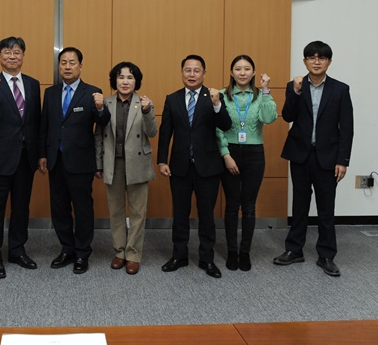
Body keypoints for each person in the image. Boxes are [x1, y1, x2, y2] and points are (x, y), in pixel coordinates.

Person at [273, 41, 354, 277]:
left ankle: (326, 255)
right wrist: (296, 92)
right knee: (299, 204)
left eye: (321, 58)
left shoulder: (340, 89)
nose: (316, 62)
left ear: (329, 61)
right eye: (311, 57)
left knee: (326, 207)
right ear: (305, 61)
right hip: (300, 154)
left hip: (328, 157)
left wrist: (343, 160)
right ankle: (294, 249)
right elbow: (288, 115)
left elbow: (346, 128)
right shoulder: (295, 86)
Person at [0, 36, 42, 279]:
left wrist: (39, 155)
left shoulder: (33, 85)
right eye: (7, 52)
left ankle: (17, 250)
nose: (12, 56)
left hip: (25, 158)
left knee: (21, 208)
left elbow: (36, 123)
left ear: (23, 55)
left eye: (16, 52)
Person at [157, 54, 231, 278]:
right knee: (180, 214)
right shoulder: (172, 99)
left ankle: (207, 258)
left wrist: (217, 104)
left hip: (208, 167)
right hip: (179, 166)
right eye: (187, 70)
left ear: (204, 74)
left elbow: (226, 125)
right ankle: (179, 255)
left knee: (207, 215)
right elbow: (165, 132)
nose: (191, 74)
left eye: (196, 70)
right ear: (182, 73)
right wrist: (162, 160)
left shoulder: (215, 97)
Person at [39, 47, 110, 275]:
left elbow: (103, 122)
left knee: (82, 209)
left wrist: (101, 107)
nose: (67, 67)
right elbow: (45, 125)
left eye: (72, 62)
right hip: (56, 160)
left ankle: (82, 252)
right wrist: (42, 154)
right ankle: (67, 248)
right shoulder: (50, 93)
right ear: (59, 66)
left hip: (80, 161)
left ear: (80, 66)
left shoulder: (92, 92)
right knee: (59, 208)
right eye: (63, 62)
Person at [216, 55, 277, 272]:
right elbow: (216, 127)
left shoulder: (261, 95)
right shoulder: (222, 95)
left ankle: (245, 252)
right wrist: (225, 154)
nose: (242, 72)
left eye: (247, 68)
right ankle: (232, 252)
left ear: (253, 73)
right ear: (231, 73)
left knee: (249, 206)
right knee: (232, 204)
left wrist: (266, 90)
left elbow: (269, 118)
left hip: (254, 154)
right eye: (238, 69)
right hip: (229, 152)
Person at [96, 61, 157, 275]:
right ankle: (119, 252)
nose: (125, 81)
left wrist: (148, 111)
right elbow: (98, 135)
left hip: (137, 163)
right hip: (113, 163)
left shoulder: (144, 102)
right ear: (115, 80)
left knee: (138, 212)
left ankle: (133, 254)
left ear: (136, 81)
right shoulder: (106, 103)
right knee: (116, 211)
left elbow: (152, 132)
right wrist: (98, 163)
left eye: (130, 77)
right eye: (121, 77)